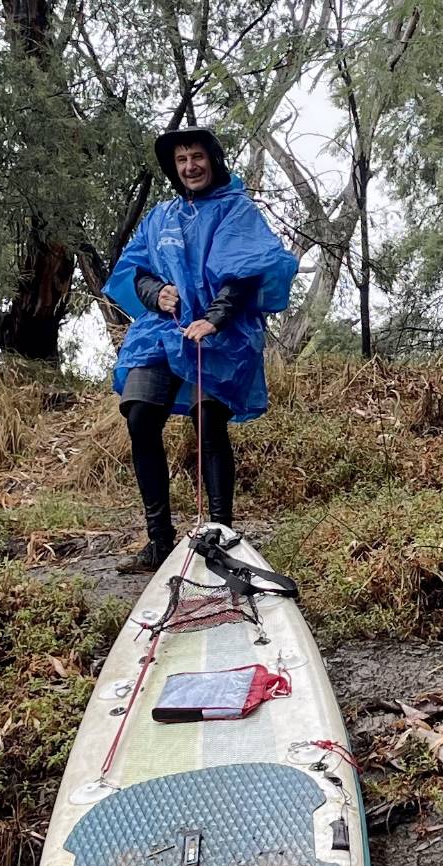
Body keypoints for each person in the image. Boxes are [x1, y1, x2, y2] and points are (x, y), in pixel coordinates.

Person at [104, 127, 299, 574]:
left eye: (197, 157)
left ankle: (220, 534)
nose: (190, 166)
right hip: (161, 330)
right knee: (139, 413)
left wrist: (214, 317)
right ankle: (158, 541)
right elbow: (135, 271)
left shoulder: (236, 209)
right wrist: (156, 293)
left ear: (212, 160)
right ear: (174, 169)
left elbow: (246, 270)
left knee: (209, 420)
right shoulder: (159, 217)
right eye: (181, 160)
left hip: (219, 331)